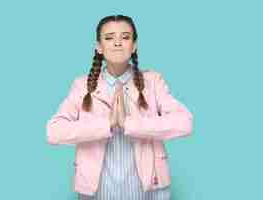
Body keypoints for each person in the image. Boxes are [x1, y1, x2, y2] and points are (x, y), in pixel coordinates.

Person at [46, 15, 193, 200]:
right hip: (98, 189)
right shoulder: (81, 85)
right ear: (99, 47)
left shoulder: (153, 81)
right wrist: (106, 124)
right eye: (109, 38)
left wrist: (129, 124)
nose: (117, 43)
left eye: (125, 37)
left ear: (134, 45)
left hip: (148, 188)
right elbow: (54, 131)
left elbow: (184, 122)